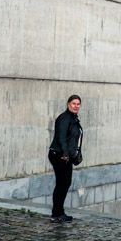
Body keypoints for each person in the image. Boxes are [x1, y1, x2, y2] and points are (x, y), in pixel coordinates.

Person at [48, 94, 83, 222]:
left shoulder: (73, 119)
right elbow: (61, 137)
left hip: (65, 155)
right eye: (74, 103)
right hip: (59, 155)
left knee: (64, 183)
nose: (76, 106)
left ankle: (58, 212)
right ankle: (57, 213)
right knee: (62, 183)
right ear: (68, 104)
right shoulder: (64, 118)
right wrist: (65, 154)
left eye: (78, 104)